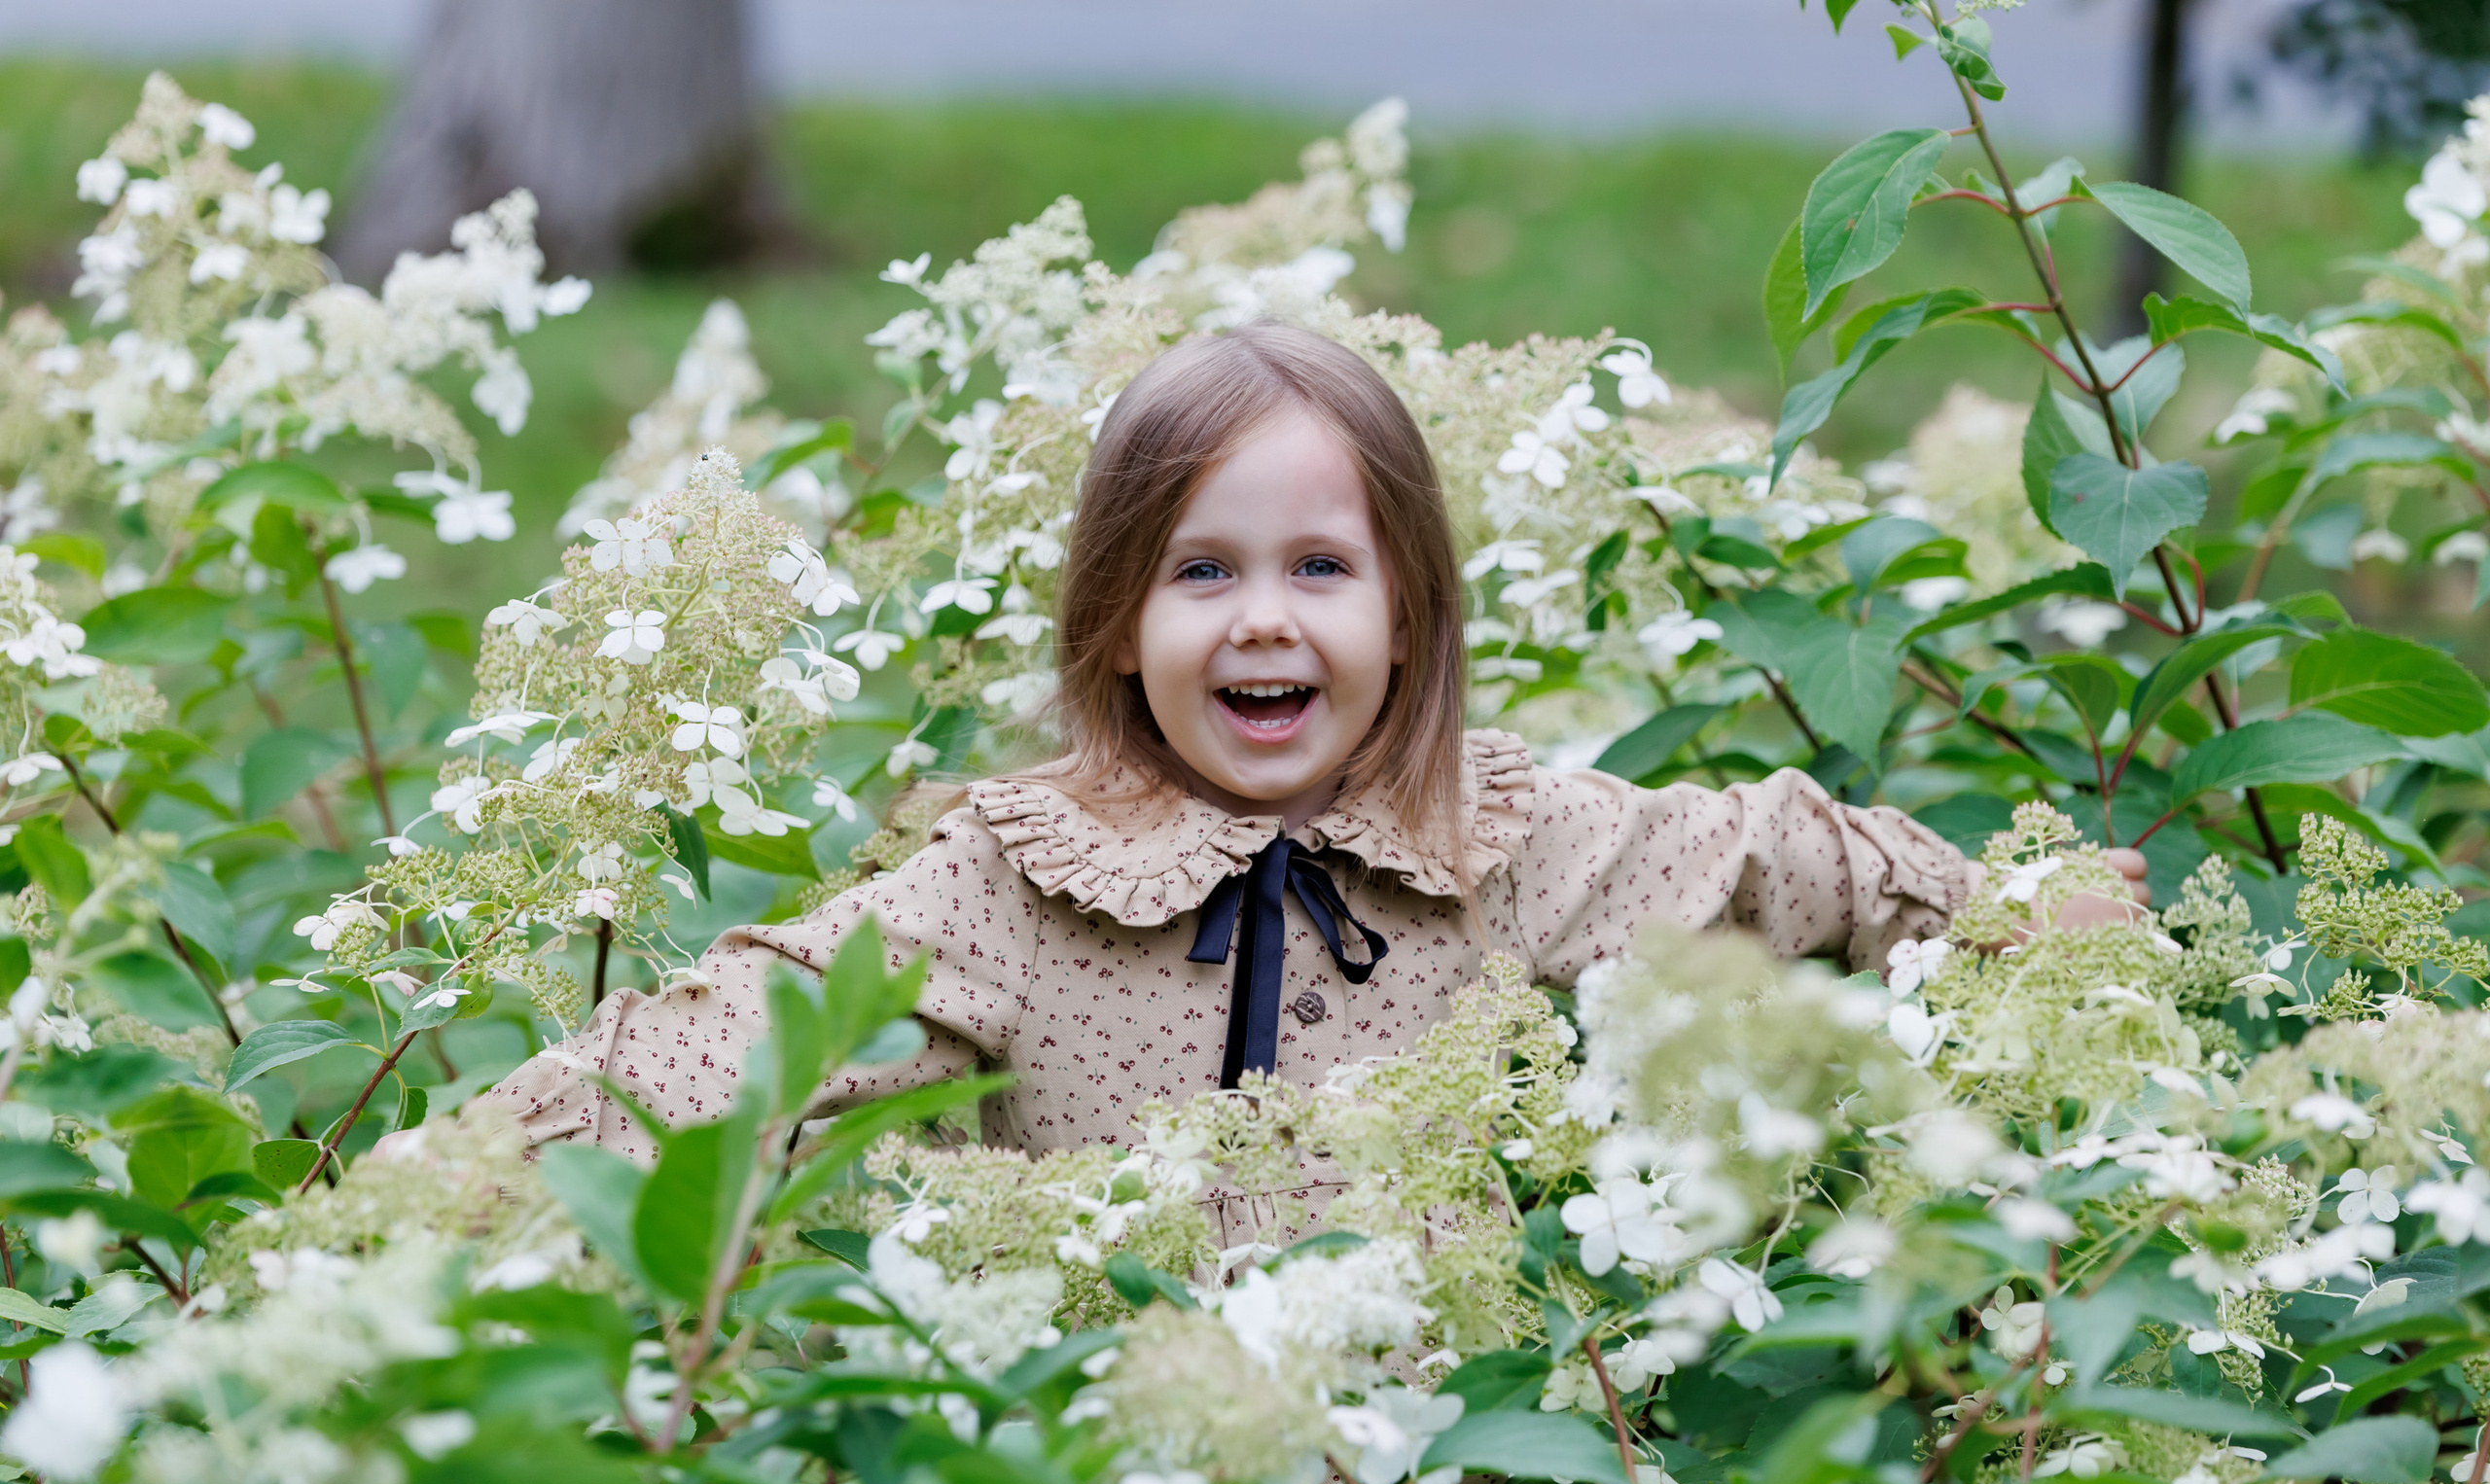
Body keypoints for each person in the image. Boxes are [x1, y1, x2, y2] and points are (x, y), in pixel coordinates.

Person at [464, 323, 2150, 1241]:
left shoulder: (1500, 841)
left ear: (1407, 612)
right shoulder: (1014, 878)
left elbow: (1761, 862)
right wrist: (460, 1186)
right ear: (1115, 624)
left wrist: (2006, 908)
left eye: (1320, 569)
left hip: (1433, 1480)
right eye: (1200, 573)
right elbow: (740, 1033)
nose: (1263, 617)